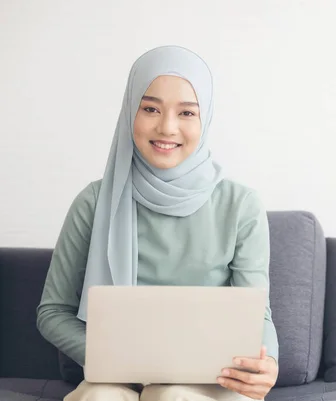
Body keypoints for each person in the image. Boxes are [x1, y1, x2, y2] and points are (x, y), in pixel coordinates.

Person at [36, 45, 279, 401]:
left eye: (186, 113)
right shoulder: (93, 201)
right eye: (150, 108)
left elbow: (258, 311)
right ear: (129, 111)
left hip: (209, 377)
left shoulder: (240, 204)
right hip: (114, 374)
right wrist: (120, 360)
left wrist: (267, 362)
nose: (167, 127)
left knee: (175, 397)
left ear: (205, 118)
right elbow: (53, 311)